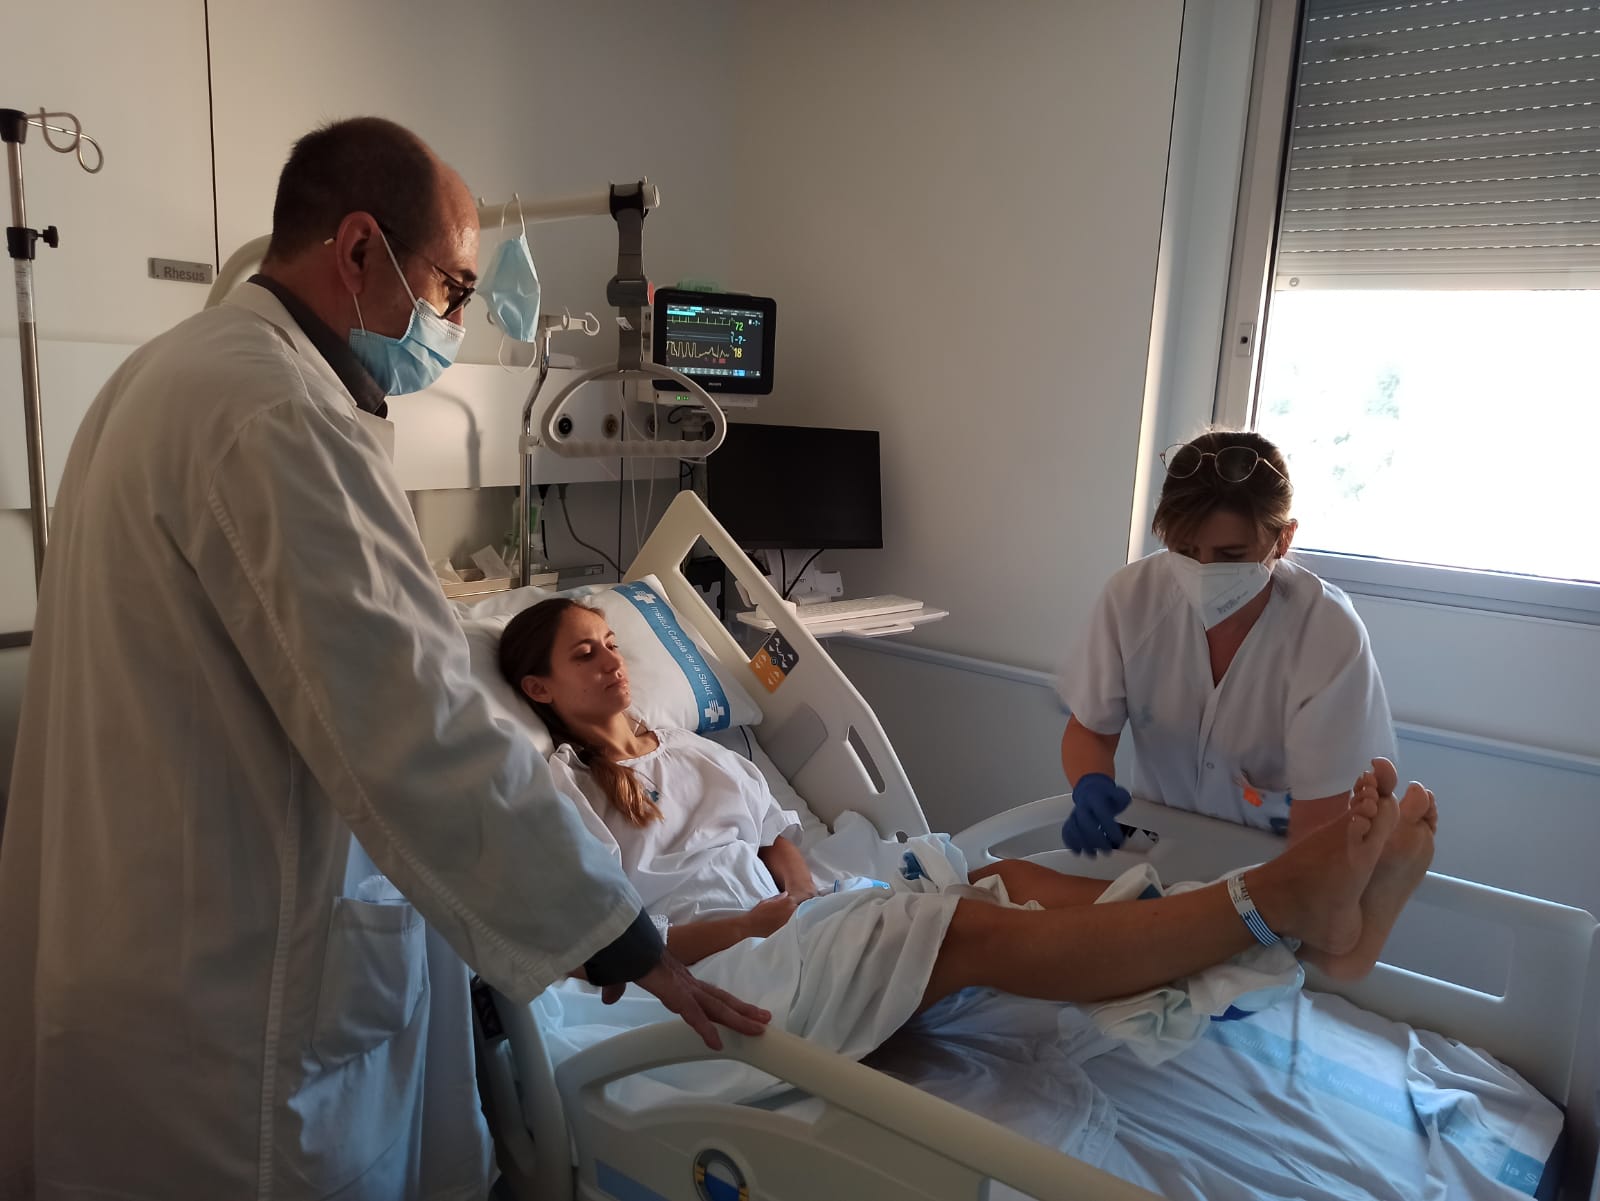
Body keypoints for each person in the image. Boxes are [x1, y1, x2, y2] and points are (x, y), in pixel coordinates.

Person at [0, 117, 763, 1201]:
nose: (454, 323)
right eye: (451, 288)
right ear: (358, 249)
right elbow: (418, 719)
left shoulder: (163, 377)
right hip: (241, 1014)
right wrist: (616, 932)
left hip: (153, 964)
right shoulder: (275, 413)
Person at [498, 597, 1435, 1042]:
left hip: (795, 919)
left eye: (613, 642)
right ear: (539, 689)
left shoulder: (699, 752)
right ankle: (1278, 907)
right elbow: (608, 947)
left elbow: (779, 832)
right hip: (712, 970)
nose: (613, 660)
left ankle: (1300, 938)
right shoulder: (560, 795)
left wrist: (800, 892)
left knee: (1003, 878)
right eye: (586, 654)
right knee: (954, 923)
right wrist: (754, 922)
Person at [1058, 428, 1437, 980]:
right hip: (1157, 846)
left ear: (1282, 540)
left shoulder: (1326, 635)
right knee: (1041, 907)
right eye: (1185, 551)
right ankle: (1340, 935)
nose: (1203, 570)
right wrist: (1090, 784)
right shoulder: (1131, 599)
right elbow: (1091, 729)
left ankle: (1341, 923)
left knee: (1226, 946)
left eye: (1230, 555)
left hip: (1273, 865)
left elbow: (1319, 828)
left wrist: (1266, 925)